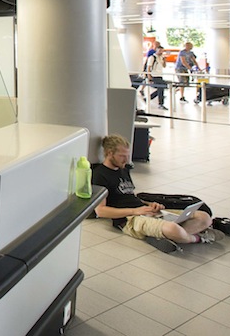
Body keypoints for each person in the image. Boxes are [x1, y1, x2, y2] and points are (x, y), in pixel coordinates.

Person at [91, 135, 221, 244]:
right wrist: (135, 211)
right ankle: (197, 238)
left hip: (144, 209)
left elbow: (128, 195)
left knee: (204, 217)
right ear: (110, 153)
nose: (126, 159)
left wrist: (149, 205)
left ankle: (174, 235)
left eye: (127, 155)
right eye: (122, 156)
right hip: (129, 218)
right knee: (174, 229)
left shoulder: (123, 169)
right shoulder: (99, 175)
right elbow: (101, 211)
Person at [144, 45, 168, 109]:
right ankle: (160, 103)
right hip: (154, 75)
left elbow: (164, 66)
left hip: (160, 75)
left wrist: (164, 60)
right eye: (159, 50)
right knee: (161, 87)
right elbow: (148, 67)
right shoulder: (152, 57)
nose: (161, 52)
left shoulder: (161, 58)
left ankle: (149, 98)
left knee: (161, 87)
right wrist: (149, 75)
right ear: (156, 50)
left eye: (162, 51)